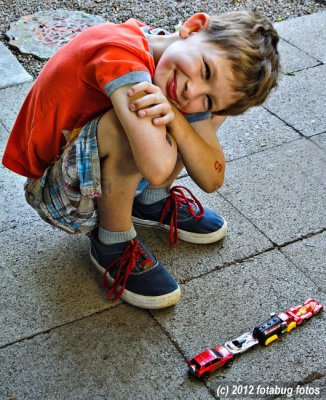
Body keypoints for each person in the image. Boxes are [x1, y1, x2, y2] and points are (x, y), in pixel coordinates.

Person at [2, 11, 280, 309]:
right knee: (130, 124)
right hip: (57, 193)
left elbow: (212, 178)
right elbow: (158, 168)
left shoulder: (176, 61)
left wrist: (181, 115)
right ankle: (113, 242)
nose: (192, 90)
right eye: (207, 70)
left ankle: (150, 202)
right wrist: (180, 118)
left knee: (197, 111)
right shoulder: (121, 56)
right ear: (193, 27)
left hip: (98, 172)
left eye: (208, 97)